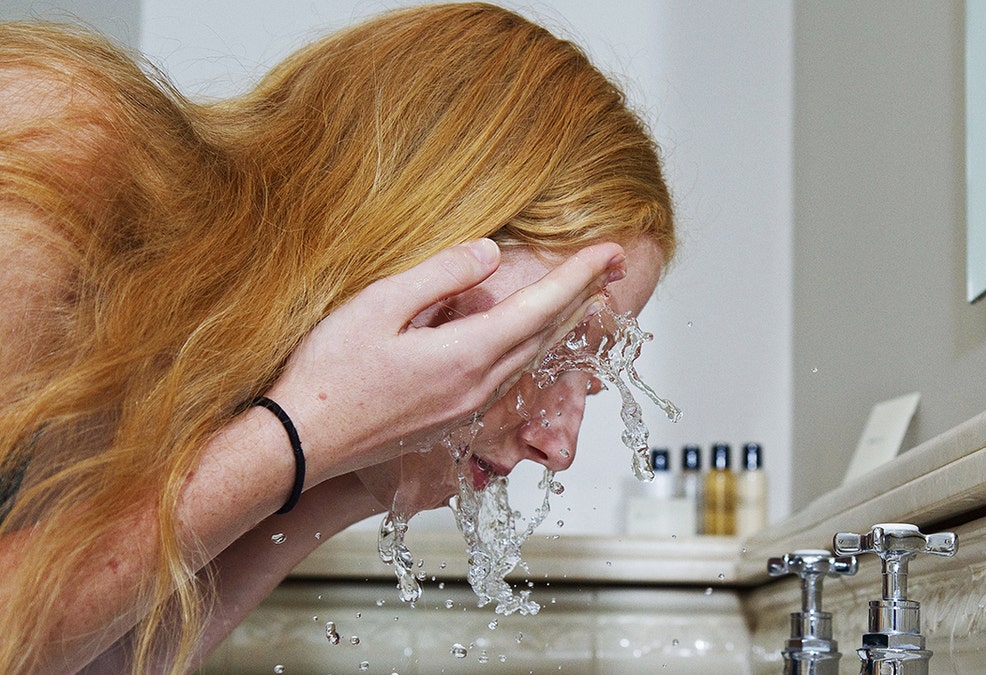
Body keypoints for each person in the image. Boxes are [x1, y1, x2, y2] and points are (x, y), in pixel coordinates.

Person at [0, 3, 675, 672]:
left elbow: (95, 660)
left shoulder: (203, 399)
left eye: (590, 377)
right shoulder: (54, 145)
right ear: (422, 228)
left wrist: (353, 467)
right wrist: (300, 434)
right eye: (554, 345)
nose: (559, 445)